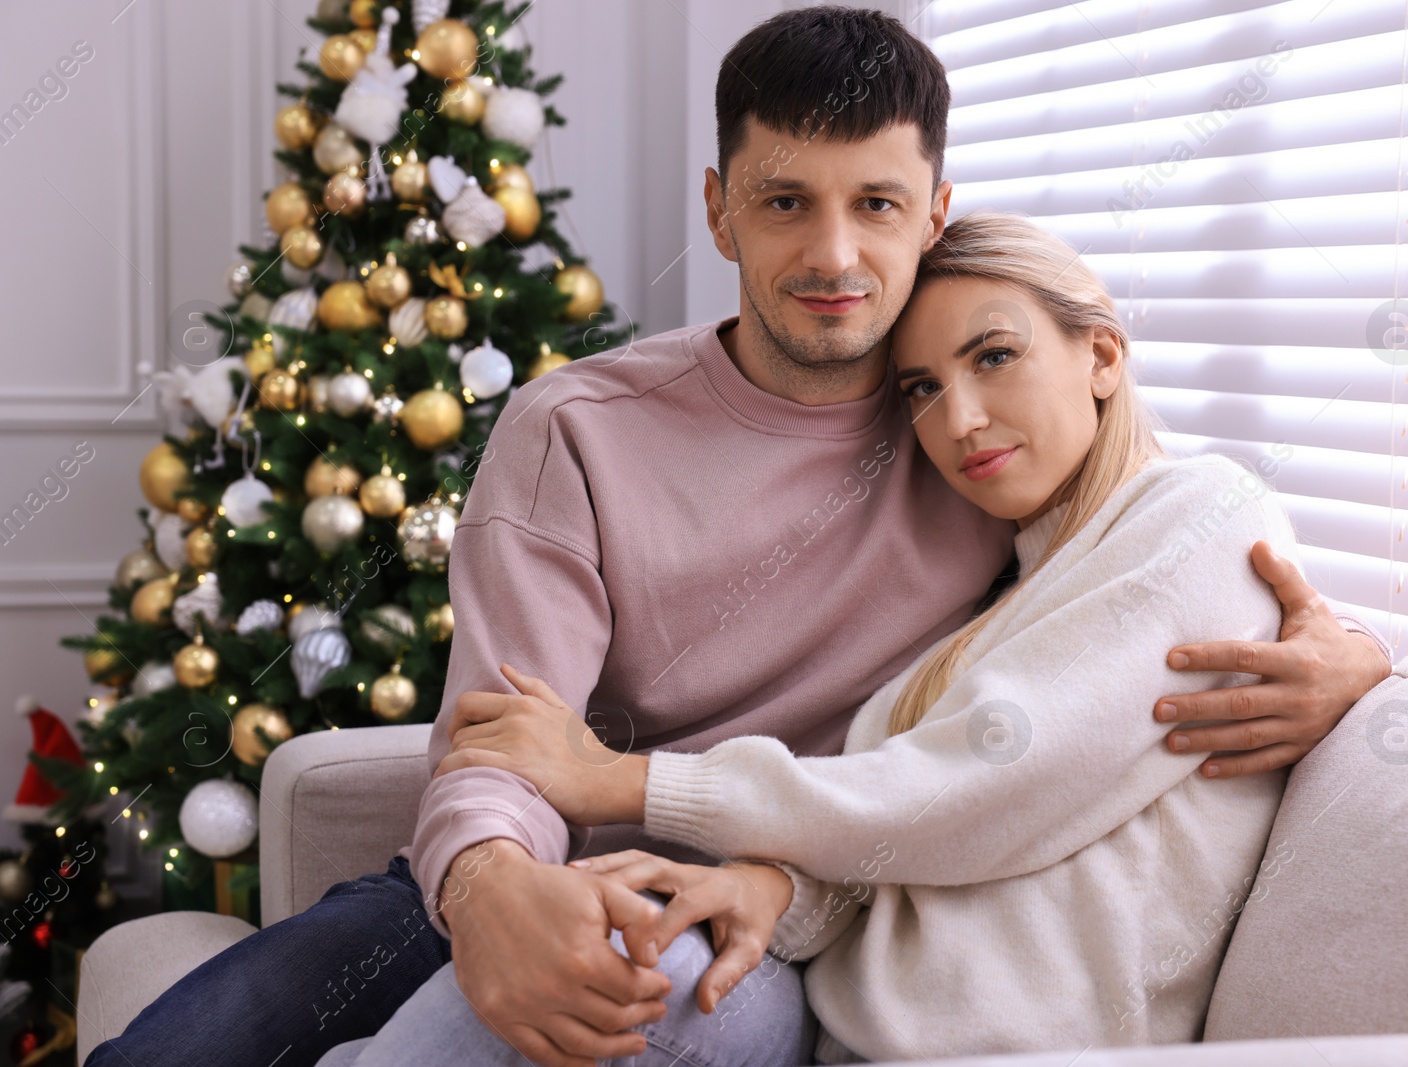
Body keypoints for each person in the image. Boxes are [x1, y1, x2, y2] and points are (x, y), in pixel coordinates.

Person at [87, 9, 1389, 1067]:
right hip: (543, 864)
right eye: (784, 203)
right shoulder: (575, 428)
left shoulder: (980, 434)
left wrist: (1350, 652)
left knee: (646, 998)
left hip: (752, 909)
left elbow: (1135, 575)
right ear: (719, 210)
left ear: (934, 210)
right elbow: (503, 741)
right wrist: (489, 892)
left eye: (878, 204)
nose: (834, 254)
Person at [338, 210, 1311, 1065]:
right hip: (843, 1033)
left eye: (995, 355)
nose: (960, 419)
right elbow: (905, 845)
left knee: (636, 976)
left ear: (1101, 355)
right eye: (923, 387)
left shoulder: (1203, 509)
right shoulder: (1011, 586)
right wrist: (772, 887)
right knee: (620, 953)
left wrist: (621, 780)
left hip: (994, 1051)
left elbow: (979, 785)